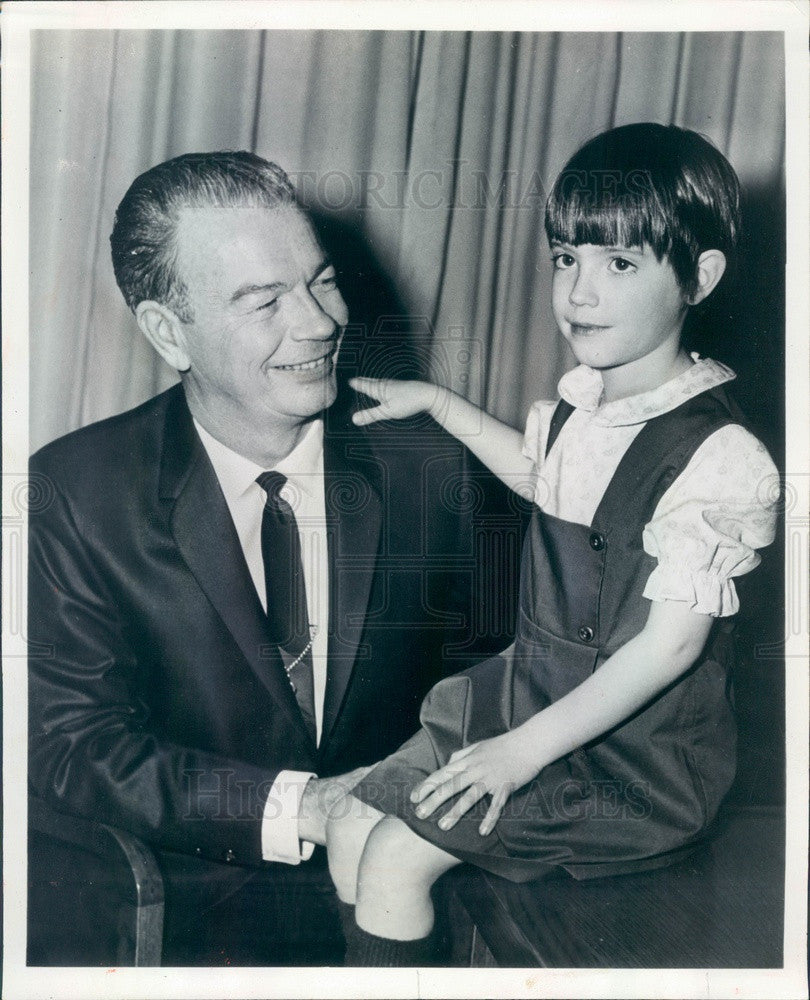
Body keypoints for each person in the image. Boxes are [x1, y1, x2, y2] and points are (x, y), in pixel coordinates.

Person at [26, 151, 523, 965]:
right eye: (264, 302)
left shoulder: (429, 462)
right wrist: (304, 807)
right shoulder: (77, 495)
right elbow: (73, 743)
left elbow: (506, 671)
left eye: (322, 281)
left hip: (426, 898)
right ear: (167, 332)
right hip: (185, 917)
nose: (321, 323)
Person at [324, 122, 780, 966]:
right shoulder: (585, 405)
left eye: (620, 264)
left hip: (630, 760)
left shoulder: (723, 458)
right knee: (353, 822)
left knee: (395, 858)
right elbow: (549, 481)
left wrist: (518, 753)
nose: (579, 292)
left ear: (699, 278)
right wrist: (440, 404)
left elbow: (669, 650)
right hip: (527, 694)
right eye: (567, 258)